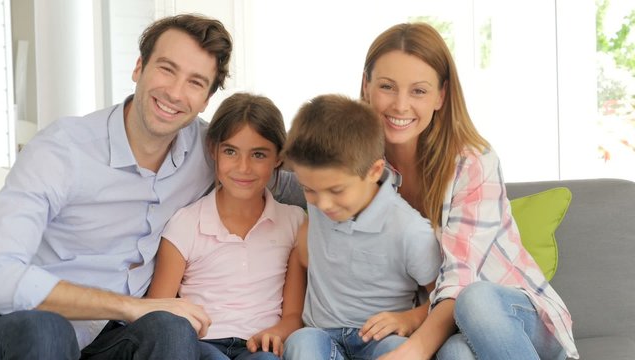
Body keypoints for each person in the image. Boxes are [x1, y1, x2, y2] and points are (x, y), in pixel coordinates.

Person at [0, 14, 303, 360]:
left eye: (195, 82)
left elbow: (300, 180)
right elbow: (1, 274)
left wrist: (370, 181)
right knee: (48, 329)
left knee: (170, 328)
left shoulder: (212, 152)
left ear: (206, 100)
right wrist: (129, 307)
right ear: (139, 68)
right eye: (166, 69)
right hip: (36, 327)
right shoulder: (61, 150)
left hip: (119, 337)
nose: (174, 93)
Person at [359, 22, 579, 360]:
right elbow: (301, 170)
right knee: (455, 355)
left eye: (418, 91)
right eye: (387, 87)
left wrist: (415, 349)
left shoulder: (472, 162)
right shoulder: (356, 166)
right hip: (446, 326)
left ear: (441, 95)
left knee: (475, 300)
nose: (400, 105)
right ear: (366, 87)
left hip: (512, 317)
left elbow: (460, 280)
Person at [146, 92, 306, 360]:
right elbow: (157, 310)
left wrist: (278, 332)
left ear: (279, 157)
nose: (243, 168)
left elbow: (293, 315)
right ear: (213, 150)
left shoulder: (294, 222)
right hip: (201, 345)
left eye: (258, 154)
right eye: (231, 151)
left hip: (260, 347)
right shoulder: (186, 223)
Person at [281, 94, 441, 360]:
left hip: (379, 340)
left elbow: (444, 297)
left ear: (375, 171)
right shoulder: (321, 205)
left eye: (336, 190)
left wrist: (410, 318)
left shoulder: (410, 230)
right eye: (308, 189)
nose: (323, 204)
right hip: (321, 334)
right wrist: (291, 317)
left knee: (395, 351)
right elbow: (300, 255)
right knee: (301, 342)